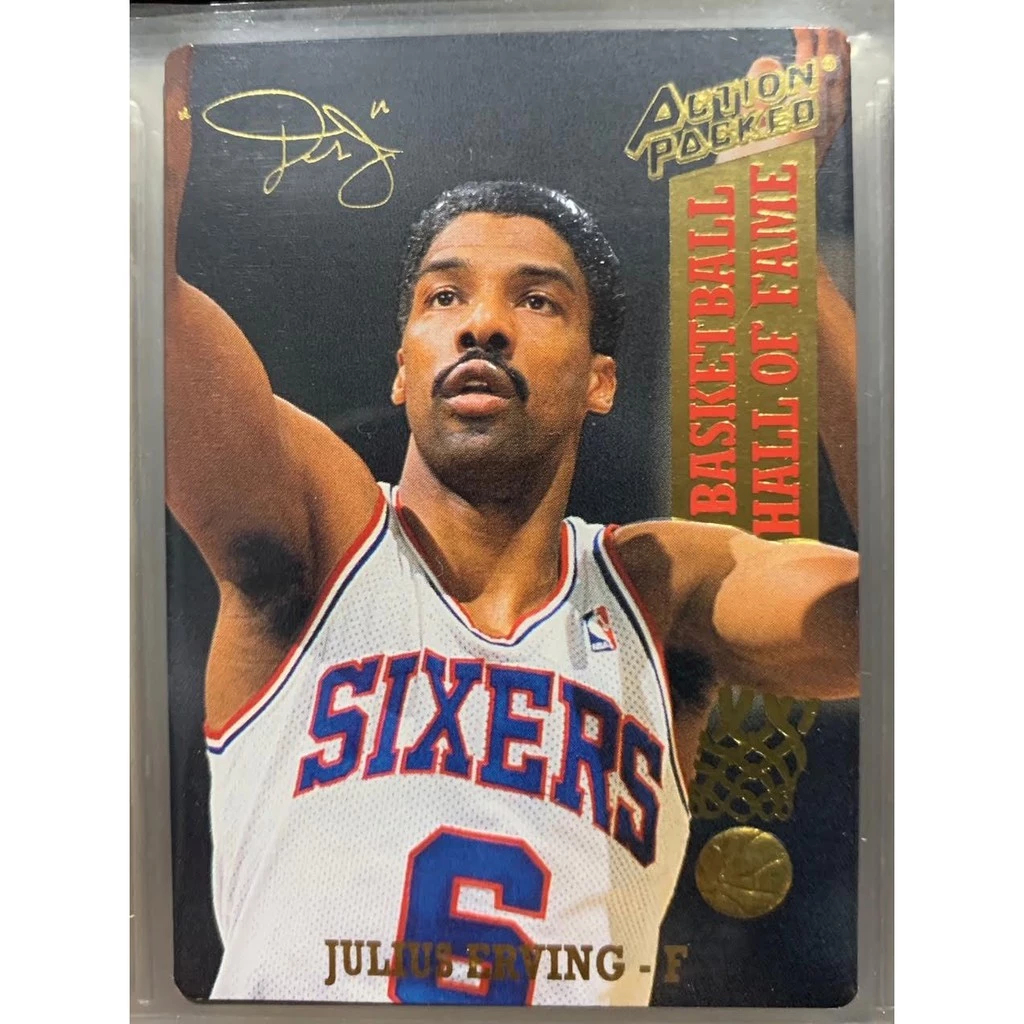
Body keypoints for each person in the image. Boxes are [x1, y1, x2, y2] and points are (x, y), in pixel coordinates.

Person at [164, 33, 858, 1007]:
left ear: (600, 381)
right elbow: (130, 297)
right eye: (444, 294)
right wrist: (139, 61)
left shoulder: (661, 591)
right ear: (402, 368)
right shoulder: (322, 530)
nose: (481, 322)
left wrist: (778, 247)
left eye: (536, 300)